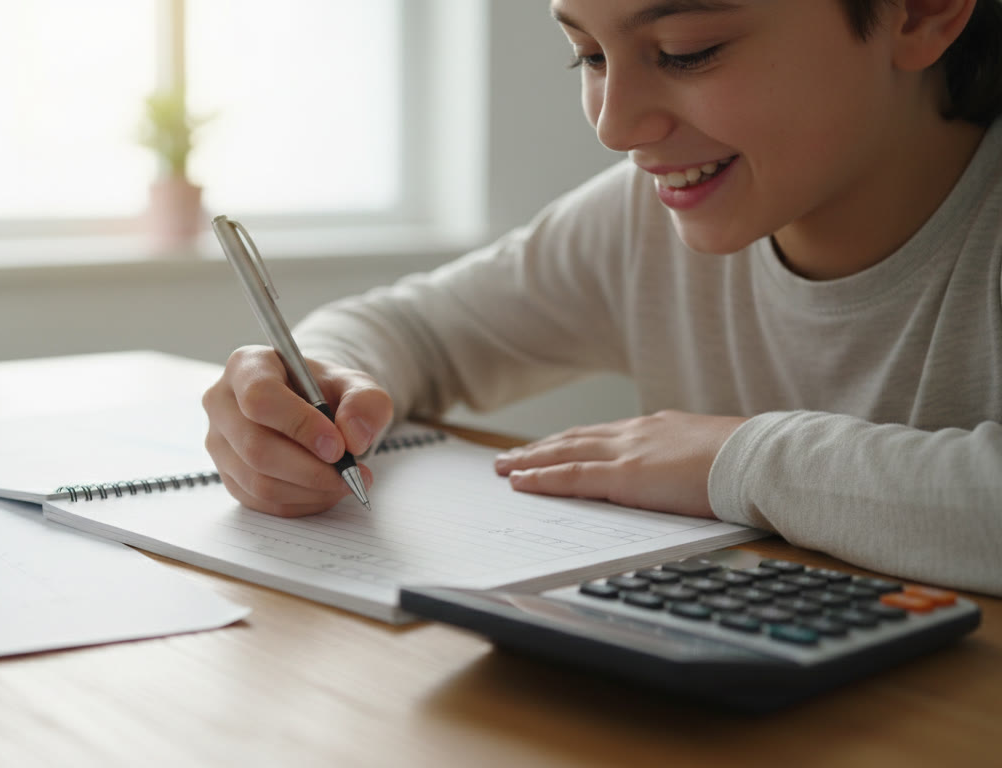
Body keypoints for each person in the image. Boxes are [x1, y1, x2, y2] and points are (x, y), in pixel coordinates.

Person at [201, 0, 1002, 595]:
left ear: (922, 11)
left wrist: (737, 460)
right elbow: (411, 330)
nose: (615, 127)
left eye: (689, 51)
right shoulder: (639, 219)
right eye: (586, 55)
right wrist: (316, 382)